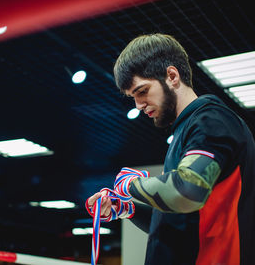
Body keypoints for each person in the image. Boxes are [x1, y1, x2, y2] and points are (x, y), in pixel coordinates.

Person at [86, 33, 255, 265]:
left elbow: (187, 191)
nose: (138, 104)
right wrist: (125, 208)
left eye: (142, 91)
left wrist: (129, 185)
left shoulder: (211, 120)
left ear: (172, 76)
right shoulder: (188, 129)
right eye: (132, 97)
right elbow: (173, 224)